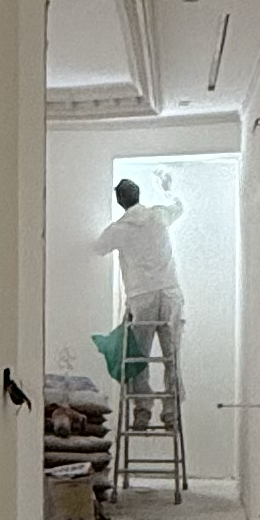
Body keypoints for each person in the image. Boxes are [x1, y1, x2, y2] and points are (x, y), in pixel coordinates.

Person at [101, 174, 183, 424]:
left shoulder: (119, 229)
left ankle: (143, 409)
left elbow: (96, 247)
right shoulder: (158, 216)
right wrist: (168, 190)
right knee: (171, 355)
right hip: (169, 294)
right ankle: (170, 411)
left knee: (138, 357)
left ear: (120, 201)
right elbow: (178, 208)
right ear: (138, 196)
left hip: (142, 296)